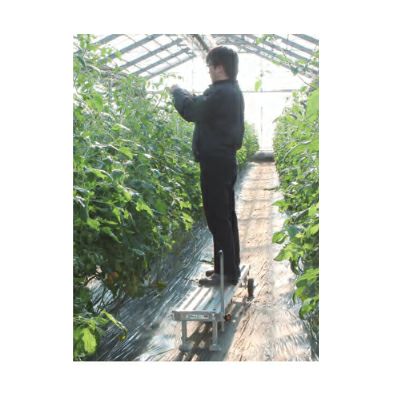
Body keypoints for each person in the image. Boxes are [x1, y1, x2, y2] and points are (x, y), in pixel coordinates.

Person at [169, 46, 244, 286]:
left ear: (219, 67)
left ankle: (227, 273)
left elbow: (191, 110)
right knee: (226, 215)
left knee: (217, 217)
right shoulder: (230, 91)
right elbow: (203, 107)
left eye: (210, 66)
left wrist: (177, 91)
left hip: (215, 163)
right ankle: (227, 266)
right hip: (224, 160)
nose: (209, 71)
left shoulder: (221, 93)